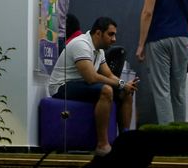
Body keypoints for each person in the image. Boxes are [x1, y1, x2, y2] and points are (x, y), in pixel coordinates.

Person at [48, 16, 139, 156]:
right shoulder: (81, 44)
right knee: (106, 90)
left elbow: (108, 74)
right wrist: (119, 84)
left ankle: (124, 142)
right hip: (62, 86)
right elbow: (91, 78)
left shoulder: (99, 50)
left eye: (114, 35)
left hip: (79, 84)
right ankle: (102, 145)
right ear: (98, 33)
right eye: (111, 34)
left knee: (126, 92)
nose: (114, 39)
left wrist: (124, 85)